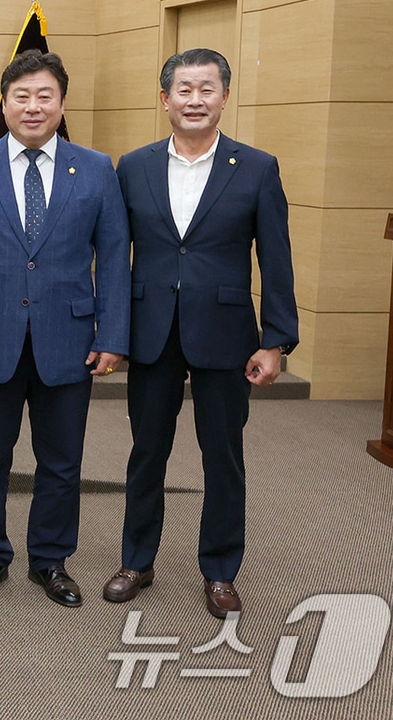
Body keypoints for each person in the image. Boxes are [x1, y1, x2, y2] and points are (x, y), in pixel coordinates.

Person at [104, 48, 297, 619]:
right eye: (183, 89)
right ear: (164, 99)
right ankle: (137, 560)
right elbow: (117, 257)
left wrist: (276, 339)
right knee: (146, 453)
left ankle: (219, 571)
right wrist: (113, 330)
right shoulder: (133, 166)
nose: (194, 100)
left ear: (224, 97)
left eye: (206, 89)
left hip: (227, 335)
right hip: (152, 331)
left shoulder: (258, 168)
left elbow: (277, 259)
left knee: (223, 457)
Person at [0, 49, 129, 608]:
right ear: (3, 104)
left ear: (62, 103)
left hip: (68, 339)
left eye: (44, 95)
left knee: (62, 460)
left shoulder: (95, 168)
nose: (32, 106)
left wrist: (112, 335)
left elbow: (115, 257)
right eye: (21, 96)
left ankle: (50, 560)